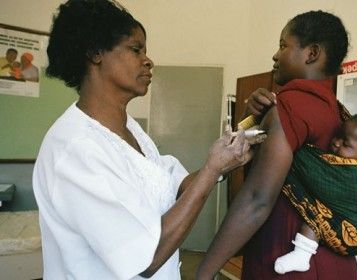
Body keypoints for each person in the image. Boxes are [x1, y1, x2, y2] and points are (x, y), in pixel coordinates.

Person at [32, 0, 254, 279]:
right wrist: (211, 172)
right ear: (95, 53)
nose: (149, 61)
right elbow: (145, 258)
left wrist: (224, 162)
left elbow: (172, 186)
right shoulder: (75, 148)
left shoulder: (129, 129)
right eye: (135, 49)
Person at [198, 10, 357, 279]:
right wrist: (253, 120)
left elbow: (256, 200)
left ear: (312, 53)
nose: (275, 55)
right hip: (334, 263)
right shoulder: (336, 111)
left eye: (284, 45)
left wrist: (203, 272)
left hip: (287, 261)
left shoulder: (291, 105)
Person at [274, 112, 357, 274]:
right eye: (338, 136)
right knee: (319, 207)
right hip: (352, 223)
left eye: (345, 144)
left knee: (316, 215)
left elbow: (314, 173)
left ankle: (301, 255)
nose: (335, 142)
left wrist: (293, 149)